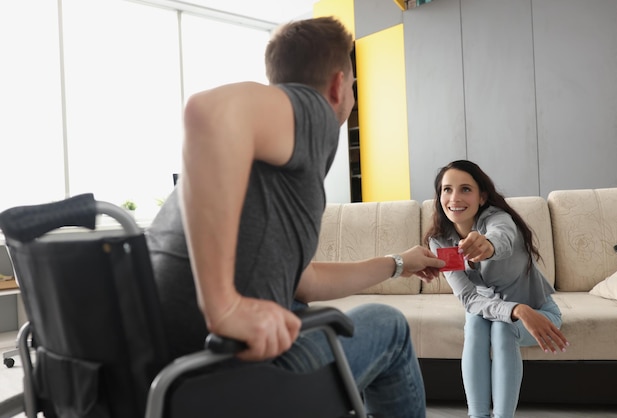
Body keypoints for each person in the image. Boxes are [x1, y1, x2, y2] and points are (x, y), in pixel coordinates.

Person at [146, 17, 445, 418]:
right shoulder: (314, 111)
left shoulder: (256, 171)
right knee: (389, 325)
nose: (352, 98)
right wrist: (225, 306)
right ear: (338, 86)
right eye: (354, 87)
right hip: (240, 374)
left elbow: (305, 282)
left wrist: (398, 264)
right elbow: (207, 110)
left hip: (179, 373)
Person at [424, 160, 569, 418]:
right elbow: (468, 298)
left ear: (482, 197)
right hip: (489, 310)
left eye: (465, 189)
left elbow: (501, 238)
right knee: (477, 325)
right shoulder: (442, 242)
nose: (454, 198)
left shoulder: (498, 220)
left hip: (539, 310)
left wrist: (487, 246)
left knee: (503, 328)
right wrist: (517, 309)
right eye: (447, 189)